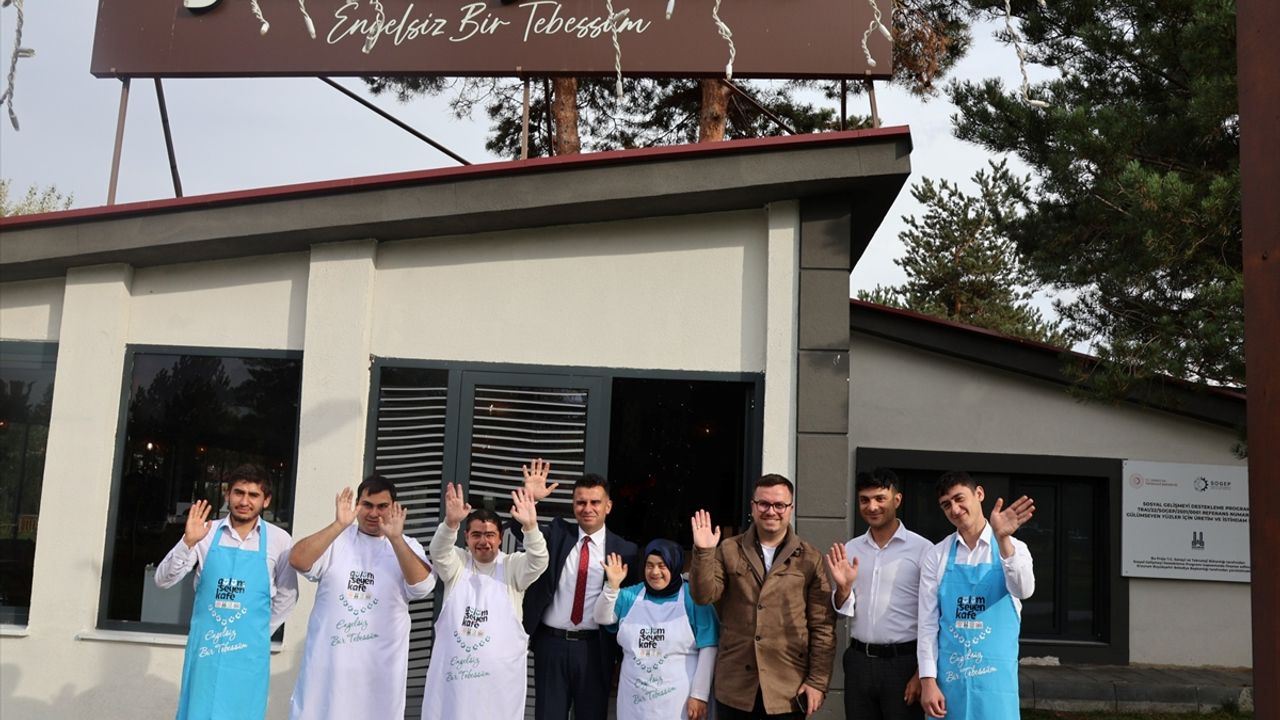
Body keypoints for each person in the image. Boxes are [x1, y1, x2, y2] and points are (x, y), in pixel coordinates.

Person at [154, 463, 299, 720]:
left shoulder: (280, 541)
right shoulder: (205, 533)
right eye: (238, 492)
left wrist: (257, 632)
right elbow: (163, 581)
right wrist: (188, 542)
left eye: (253, 495)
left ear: (266, 500)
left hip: (249, 655)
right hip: (206, 651)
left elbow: (288, 596)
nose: (244, 501)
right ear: (227, 494)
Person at [287, 475, 435, 720]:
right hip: (327, 674)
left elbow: (423, 587)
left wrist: (396, 539)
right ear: (357, 505)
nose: (374, 513)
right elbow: (297, 560)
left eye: (382, 506)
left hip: (378, 677)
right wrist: (338, 525)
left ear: (394, 507)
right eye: (367, 505)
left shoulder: (407, 545)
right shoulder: (337, 540)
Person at [689, 473, 836, 719]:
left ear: (790, 508)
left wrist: (818, 682)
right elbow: (703, 596)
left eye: (779, 505)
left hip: (787, 686)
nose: (771, 511)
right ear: (753, 506)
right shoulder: (729, 549)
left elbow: (822, 626)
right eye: (764, 504)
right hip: (736, 683)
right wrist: (704, 552)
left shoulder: (810, 558)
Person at [518, 458, 641, 720]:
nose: (588, 508)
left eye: (595, 502)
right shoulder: (557, 534)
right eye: (581, 502)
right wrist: (531, 500)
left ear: (608, 506)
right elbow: (522, 532)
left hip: (595, 649)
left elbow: (631, 608)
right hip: (551, 645)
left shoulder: (626, 551)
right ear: (573, 505)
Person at [421, 482, 548, 719]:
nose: (483, 541)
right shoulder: (457, 563)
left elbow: (538, 560)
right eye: (476, 535)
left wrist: (531, 527)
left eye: (490, 535)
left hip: (498, 688)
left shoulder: (512, 566)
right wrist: (450, 523)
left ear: (500, 538)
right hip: (454, 684)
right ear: (466, 537)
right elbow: (438, 551)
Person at [917, 471, 1035, 720]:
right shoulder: (936, 556)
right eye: (946, 504)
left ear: (979, 494)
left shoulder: (1015, 548)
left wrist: (1003, 540)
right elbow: (927, 624)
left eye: (960, 499)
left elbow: (1024, 590)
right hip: (949, 683)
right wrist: (927, 680)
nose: (955, 509)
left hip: (997, 685)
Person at [825, 469, 932, 720]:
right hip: (858, 661)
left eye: (880, 498)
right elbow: (840, 612)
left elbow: (934, 615)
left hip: (904, 663)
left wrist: (922, 674)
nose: (872, 507)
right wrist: (843, 589)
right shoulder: (852, 548)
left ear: (897, 500)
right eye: (865, 500)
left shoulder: (923, 549)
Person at [595, 539, 720, 720]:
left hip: (679, 702)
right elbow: (602, 617)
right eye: (649, 565)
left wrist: (699, 695)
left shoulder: (694, 599)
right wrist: (612, 586)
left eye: (662, 566)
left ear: (675, 566)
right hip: (633, 701)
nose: (655, 572)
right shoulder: (631, 595)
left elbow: (709, 647)